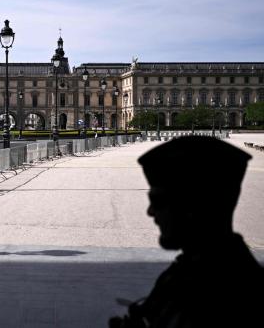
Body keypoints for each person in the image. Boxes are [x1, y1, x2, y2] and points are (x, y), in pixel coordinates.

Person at [109, 136, 264, 327]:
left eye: (158, 201)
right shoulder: (199, 270)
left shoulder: (222, 295)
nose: (150, 212)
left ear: (193, 208)